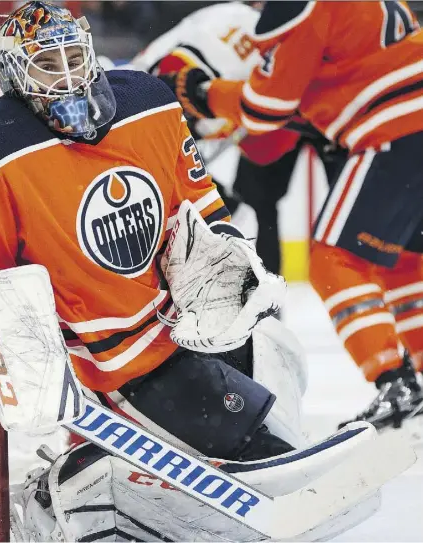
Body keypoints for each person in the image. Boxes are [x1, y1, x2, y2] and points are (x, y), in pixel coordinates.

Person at [0, 0, 294, 467]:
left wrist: (222, 253)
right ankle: (97, 466)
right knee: (251, 445)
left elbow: (198, 200)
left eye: (74, 58)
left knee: (278, 361)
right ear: (15, 73)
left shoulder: (144, 104)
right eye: (47, 65)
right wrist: (19, 356)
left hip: (185, 327)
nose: (68, 77)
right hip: (108, 363)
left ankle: (104, 468)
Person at [162, 0, 423, 430]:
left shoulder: (300, 5)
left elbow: (266, 110)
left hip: (394, 128)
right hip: (406, 119)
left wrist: (202, 93)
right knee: (404, 265)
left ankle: (395, 381)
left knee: (333, 260)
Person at [128, 1, 348, 278]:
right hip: (199, 104)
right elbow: (180, 78)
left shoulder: (239, 23)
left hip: (203, 104)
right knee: (244, 209)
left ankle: (258, 294)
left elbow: (179, 77)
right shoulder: (244, 25)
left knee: (245, 209)